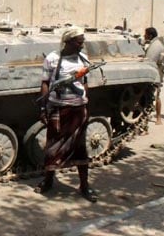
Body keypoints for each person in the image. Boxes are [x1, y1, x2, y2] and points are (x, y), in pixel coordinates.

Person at [34, 26, 97, 202]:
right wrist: (43, 108)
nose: (82, 45)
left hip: (78, 109)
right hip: (58, 108)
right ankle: (48, 181)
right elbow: (45, 83)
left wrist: (86, 103)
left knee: (80, 149)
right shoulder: (52, 59)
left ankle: (84, 186)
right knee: (52, 148)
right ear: (68, 41)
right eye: (79, 42)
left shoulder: (84, 59)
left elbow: (84, 83)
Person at [143, 27, 164, 125]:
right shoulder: (155, 43)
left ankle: (156, 118)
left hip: (155, 75)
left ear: (150, 35)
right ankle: (157, 118)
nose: (144, 36)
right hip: (158, 74)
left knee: (153, 96)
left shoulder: (155, 45)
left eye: (145, 34)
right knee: (156, 95)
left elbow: (149, 61)